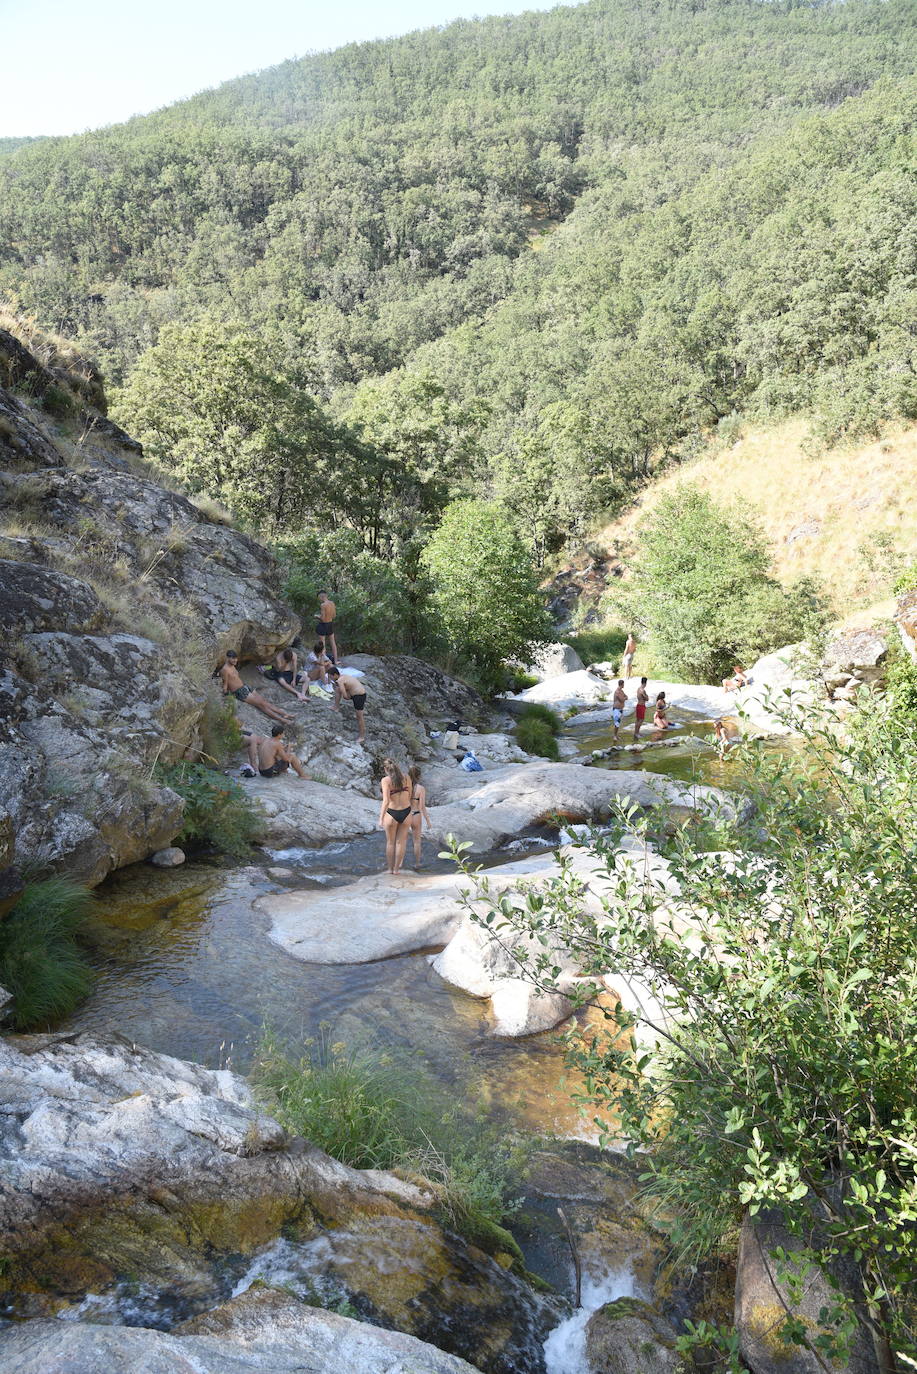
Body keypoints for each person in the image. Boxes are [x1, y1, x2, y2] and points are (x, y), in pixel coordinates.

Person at [219, 650, 294, 724]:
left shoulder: (232, 666)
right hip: (240, 692)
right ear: (228, 658)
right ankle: (281, 719)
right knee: (261, 704)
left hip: (245, 687)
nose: (236, 660)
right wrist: (226, 697)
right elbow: (225, 685)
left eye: (236, 658)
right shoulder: (224, 670)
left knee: (264, 702)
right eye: (233, 658)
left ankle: (284, 714)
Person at [378, 758, 412, 875]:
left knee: (390, 843)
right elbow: (410, 794)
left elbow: (386, 801)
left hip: (392, 813)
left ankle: (390, 869)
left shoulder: (385, 780)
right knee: (401, 842)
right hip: (406, 812)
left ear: (385, 769)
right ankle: (397, 870)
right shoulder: (406, 777)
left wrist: (381, 818)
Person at [328, 665, 367, 743]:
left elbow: (345, 697)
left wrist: (347, 693)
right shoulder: (343, 676)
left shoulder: (340, 681)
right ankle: (336, 707)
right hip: (358, 693)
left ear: (335, 675)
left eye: (331, 676)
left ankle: (362, 736)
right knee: (338, 689)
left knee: (359, 717)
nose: (330, 678)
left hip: (359, 696)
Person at [408, 764, 431, 869]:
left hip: (405, 815)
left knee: (401, 840)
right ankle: (417, 864)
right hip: (416, 815)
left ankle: (398, 864)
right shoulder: (421, 788)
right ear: (419, 776)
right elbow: (422, 807)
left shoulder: (405, 787)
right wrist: (428, 821)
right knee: (417, 842)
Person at [316, 592, 338, 663]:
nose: (319, 599)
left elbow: (322, 618)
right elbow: (334, 616)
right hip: (330, 624)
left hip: (323, 625)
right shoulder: (332, 603)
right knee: (333, 642)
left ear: (321, 597)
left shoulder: (323, 605)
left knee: (323, 644)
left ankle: (325, 662)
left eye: (319, 598)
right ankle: (336, 660)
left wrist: (317, 616)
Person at [633, 676, 649, 741]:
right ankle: (636, 733)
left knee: (638, 720)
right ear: (645, 683)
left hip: (639, 705)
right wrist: (646, 696)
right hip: (641, 706)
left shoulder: (638, 688)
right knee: (641, 720)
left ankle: (636, 732)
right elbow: (647, 698)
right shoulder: (642, 690)